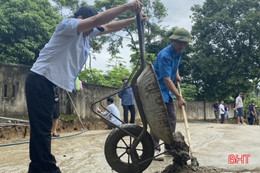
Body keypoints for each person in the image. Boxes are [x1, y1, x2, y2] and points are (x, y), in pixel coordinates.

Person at [25, 2, 146, 172]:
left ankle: (38, 168)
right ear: (81, 18)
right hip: (39, 80)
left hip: (47, 84)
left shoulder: (85, 35)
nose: (94, 30)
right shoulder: (68, 25)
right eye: (92, 26)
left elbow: (109, 27)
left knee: (42, 130)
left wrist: (134, 20)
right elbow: (98, 20)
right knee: (42, 130)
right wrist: (126, 6)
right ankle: (47, 168)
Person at [152, 28, 191, 161]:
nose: (183, 46)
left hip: (167, 92)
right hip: (158, 91)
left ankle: (169, 148)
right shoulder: (165, 55)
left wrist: (177, 75)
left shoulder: (178, 52)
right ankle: (154, 149)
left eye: (185, 44)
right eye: (181, 43)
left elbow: (175, 66)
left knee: (171, 120)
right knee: (158, 121)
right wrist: (180, 97)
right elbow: (167, 80)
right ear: (174, 41)